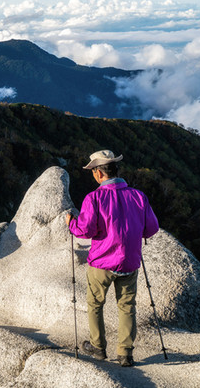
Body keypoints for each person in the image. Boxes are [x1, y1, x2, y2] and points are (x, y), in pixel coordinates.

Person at [65, 150, 159, 367]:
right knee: (127, 306)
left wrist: (71, 222)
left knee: (95, 303)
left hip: (102, 262)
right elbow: (151, 228)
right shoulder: (138, 196)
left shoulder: (94, 198)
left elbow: (85, 230)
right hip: (130, 262)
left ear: (98, 173)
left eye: (93, 172)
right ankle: (125, 353)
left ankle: (98, 348)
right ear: (115, 170)